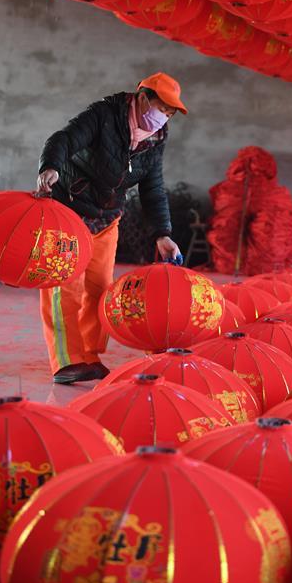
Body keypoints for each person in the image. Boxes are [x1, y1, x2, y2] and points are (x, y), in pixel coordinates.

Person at [36, 71, 186, 384]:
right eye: (162, 109)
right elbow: (63, 139)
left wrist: (163, 233)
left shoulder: (156, 138)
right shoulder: (104, 115)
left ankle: (89, 354)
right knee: (64, 288)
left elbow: (152, 186)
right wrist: (50, 165)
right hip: (69, 213)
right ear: (143, 98)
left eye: (170, 113)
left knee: (99, 288)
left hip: (106, 220)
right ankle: (66, 361)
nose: (163, 117)